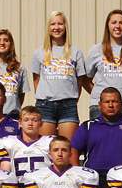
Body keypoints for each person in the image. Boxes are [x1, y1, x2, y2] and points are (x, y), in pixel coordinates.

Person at [70, 88, 122, 185]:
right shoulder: (88, 126)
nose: (111, 105)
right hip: (95, 177)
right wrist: (79, 173)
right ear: (100, 105)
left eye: (114, 101)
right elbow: (73, 150)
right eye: (107, 102)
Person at [31, 11, 86, 139]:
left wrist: (72, 97)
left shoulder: (75, 51)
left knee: (68, 147)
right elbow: (36, 79)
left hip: (68, 105)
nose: (56, 27)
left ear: (65, 26)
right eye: (53, 24)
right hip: (45, 105)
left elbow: (80, 80)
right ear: (48, 28)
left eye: (60, 24)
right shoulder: (39, 52)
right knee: (45, 147)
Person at [0, 105, 52, 182]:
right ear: (20, 123)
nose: (30, 123)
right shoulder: (8, 143)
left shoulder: (49, 142)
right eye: (26, 120)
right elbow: (5, 173)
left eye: (34, 120)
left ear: (41, 124)